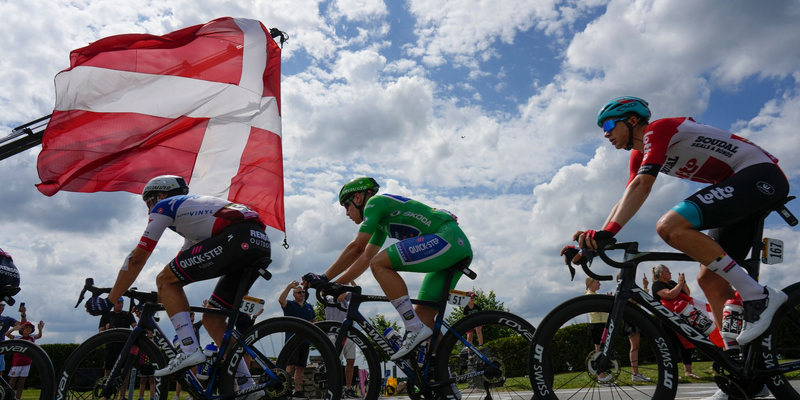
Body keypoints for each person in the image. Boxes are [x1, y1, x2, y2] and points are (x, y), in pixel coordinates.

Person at [574, 97, 790, 348]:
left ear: (632, 120)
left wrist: (609, 232)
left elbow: (643, 186)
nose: (605, 133)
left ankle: (758, 296)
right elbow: (628, 195)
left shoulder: (657, 130)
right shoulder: (638, 155)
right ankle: (737, 361)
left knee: (670, 226)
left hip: (759, 174)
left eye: (609, 125)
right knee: (709, 279)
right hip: (735, 187)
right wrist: (596, 239)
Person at [83, 175, 271, 400]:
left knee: (164, 279)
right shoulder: (194, 221)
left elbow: (137, 259)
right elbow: (177, 274)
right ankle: (248, 386)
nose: (148, 209)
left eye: (148, 202)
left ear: (160, 195)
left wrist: (110, 300)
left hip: (238, 236)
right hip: (258, 241)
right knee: (212, 319)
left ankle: (189, 349)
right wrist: (155, 298)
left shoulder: (164, 206)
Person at [302, 177, 473, 360]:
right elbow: (364, 258)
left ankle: (413, 327)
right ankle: (442, 372)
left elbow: (358, 247)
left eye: (346, 206)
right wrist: (336, 285)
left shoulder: (374, 203)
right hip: (454, 246)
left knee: (379, 263)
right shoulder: (381, 224)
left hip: (448, 238)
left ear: (358, 198)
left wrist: (324, 277)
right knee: (423, 317)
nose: (347, 213)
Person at [584, 276, 652, 383]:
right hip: (597, 325)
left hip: (602, 324)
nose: (599, 284)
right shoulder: (589, 295)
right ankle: (601, 378)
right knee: (599, 352)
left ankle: (603, 376)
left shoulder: (595, 295)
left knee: (603, 351)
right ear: (590, 283)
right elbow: (595, 309)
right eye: (597, 282)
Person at [279, 281, 316, 398]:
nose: (301, 294)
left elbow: (314, 320)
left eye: (303, 292)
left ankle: (298, 391)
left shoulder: (308, 306)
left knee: (301, 367)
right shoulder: (290, 305)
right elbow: (281, 300)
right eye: (299, 292)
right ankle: (286, 389)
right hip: (292, 339)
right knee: (291, 365)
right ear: (294, 294)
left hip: (305, 340)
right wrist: (289, 286)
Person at [324, 281, 358, 398]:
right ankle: (336, 388)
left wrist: (351, 279)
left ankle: (348, 388)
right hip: (335, 334)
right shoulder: (329, 298)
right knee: (336, 362)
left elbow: (356, 291)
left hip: (348, 333)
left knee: (351, 361)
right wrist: (345, 282)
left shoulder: (345, 299)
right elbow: (339, 298)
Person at [0, 247, 25, 376]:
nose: (1, 307)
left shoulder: (6, 319)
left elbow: (22, 326)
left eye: (2, 305)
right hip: (12, 279)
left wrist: (23, 315)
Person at [5, 320, 43, 399]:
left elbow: (39, 336)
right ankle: (8, 397)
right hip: (17, 363)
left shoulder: (32, 337)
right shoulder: (18, 338)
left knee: (21, 383)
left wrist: (40, 329)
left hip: (27, 363)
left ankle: (18, 398)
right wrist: (14, 328)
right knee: (12, 383)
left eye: (30, 328)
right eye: (26, 328)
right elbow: (7, 334)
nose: (28, 329)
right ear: (22, 329)